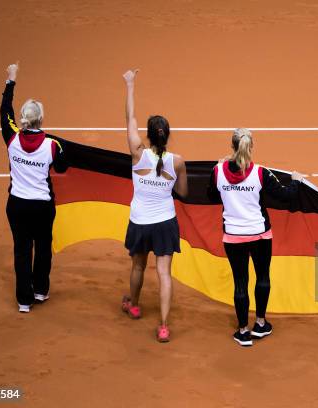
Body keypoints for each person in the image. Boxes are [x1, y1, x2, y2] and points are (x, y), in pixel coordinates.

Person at [208, 129, 303, 346]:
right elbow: (286, 195)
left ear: (232, 147)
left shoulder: (218, 172)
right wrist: (296, 181)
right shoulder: (261, 173)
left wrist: (218, 171)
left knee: (240, 283)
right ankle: (260, 324)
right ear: (251, 148)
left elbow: (211, 195)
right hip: (260, 235)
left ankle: (243, 331)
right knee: (262, 277)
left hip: (233, 237)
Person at [120, 69, 188, 343]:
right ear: (167, 136)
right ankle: (163, 326)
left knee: (137, 267)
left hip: (139, 222)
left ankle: (134, 306)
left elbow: (130, 119)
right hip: (165, 223)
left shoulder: (137, 152)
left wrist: (130, 85)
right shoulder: (178, 161)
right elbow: (182, 192)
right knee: (164, 273)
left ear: (148, 135)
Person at [0, 62, 68, 313]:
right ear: (41, 119)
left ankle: (23, 301)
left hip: (17, 205)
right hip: (42, 207)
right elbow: (62, 168)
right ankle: (40, 290)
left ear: (23, 119)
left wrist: (11, 79)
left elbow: (4, 111)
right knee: (42, 248)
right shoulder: (52, 145)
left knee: (21, 251)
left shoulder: (11, 137)